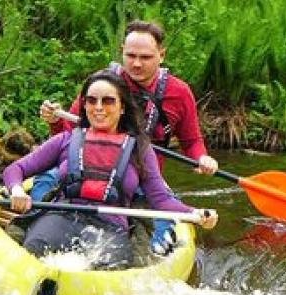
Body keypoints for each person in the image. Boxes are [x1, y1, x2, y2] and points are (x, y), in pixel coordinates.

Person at [37, 20, 219, 254]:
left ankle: (153, 256)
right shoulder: (100, 86)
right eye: (131, 55)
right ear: (122, 50)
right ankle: (34, 223)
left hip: (141, 180)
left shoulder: (179, 92)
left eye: (145, 57)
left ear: (161, 55)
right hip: (84, 170)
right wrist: (54, 122)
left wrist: (202, 157)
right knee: (44, 181)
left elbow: (192, 142)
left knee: (162, 232)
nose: (136, 63)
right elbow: (68, 137)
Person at [4, 70, 217, 269]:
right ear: (84, 105)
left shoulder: (139, 150)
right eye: (91, 100)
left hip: (109, 227)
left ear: (122, 106)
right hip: (61, 216)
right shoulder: (66, 139)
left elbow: (161, 200)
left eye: (108, 101)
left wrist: (195, 213)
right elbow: (16, 169)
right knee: (34, 250)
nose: (98, 107)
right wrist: (17, 190)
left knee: (107, 267)